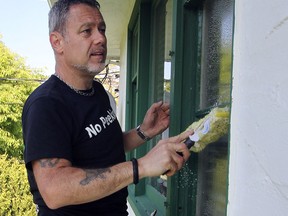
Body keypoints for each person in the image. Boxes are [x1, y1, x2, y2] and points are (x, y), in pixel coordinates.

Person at [22, 0, 192, 215]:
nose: (100, 38)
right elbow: (55, 190)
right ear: (57, 42)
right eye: (87, 31)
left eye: (101, 29)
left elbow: (102, 147)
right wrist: (141, 166)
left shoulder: (98, 92)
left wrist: (143, 132)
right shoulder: (47, 105)